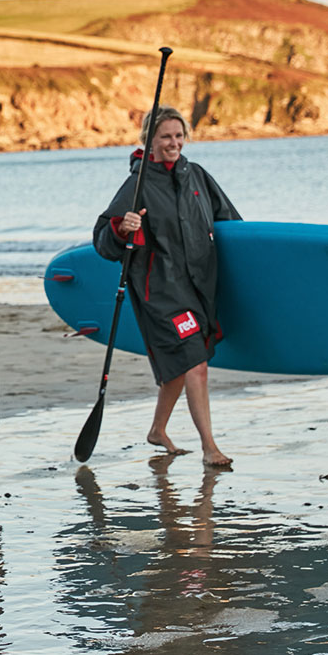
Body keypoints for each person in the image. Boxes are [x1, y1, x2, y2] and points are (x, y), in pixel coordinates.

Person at [94, 105, 241, 467]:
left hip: (197, 288)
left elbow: (230, 223)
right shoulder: (138, 184)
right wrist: (121, 228)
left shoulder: (197, 176)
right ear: (150, 141)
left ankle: (158, 430)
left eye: (178, 136)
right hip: (160, 291)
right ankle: (210, 447)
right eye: (165, 137)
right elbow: (102, 239)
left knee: (181, 361)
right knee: (195, 362)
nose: (174, 143)